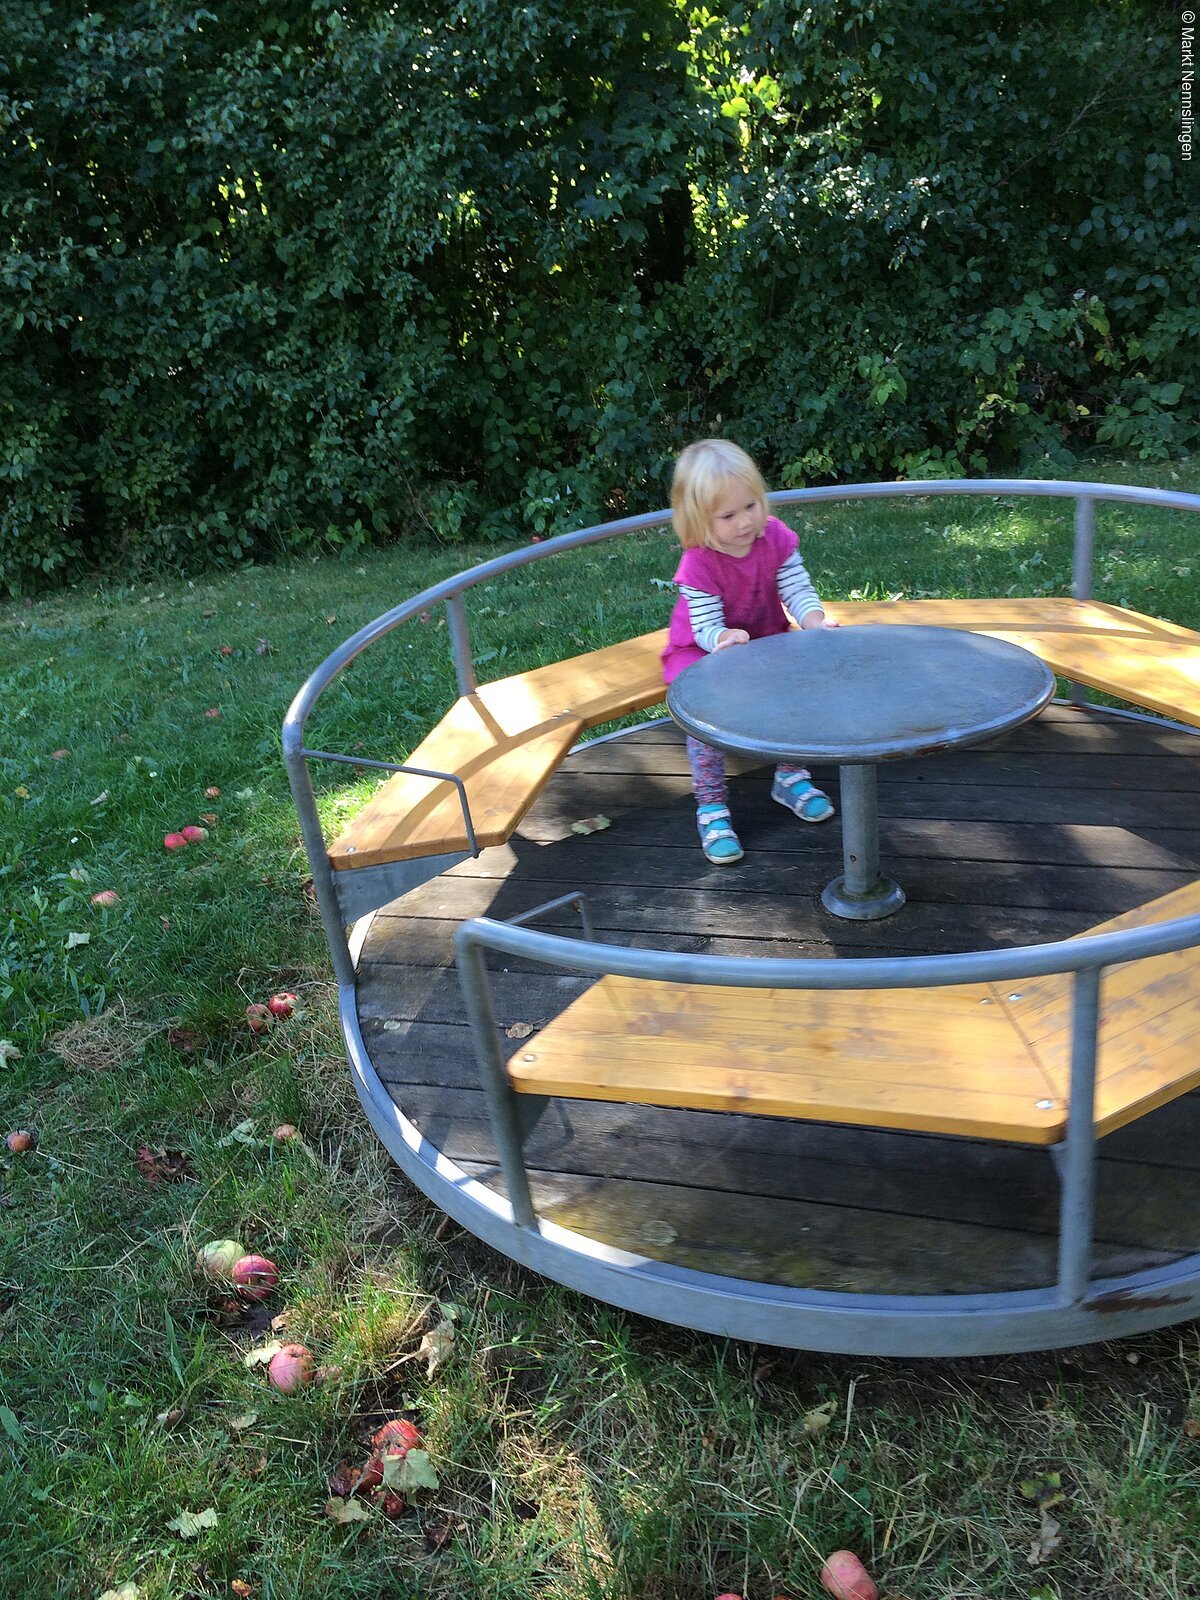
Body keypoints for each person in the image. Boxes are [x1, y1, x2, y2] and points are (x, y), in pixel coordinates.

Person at [662, 438, 837, 865]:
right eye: (728, 515)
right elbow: (703, 625)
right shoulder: (698, 564)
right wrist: (722, 639)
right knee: (706, 726)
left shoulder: (773, 537)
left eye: (751, 506)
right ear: (700, 520)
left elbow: (796, 586)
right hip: (706, 651)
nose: (745, 521)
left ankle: (790, 774)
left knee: (794, 694)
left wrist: (813, 619)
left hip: (763, 638)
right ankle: (712, 806)